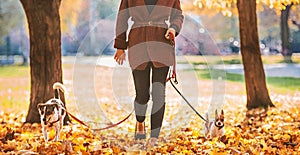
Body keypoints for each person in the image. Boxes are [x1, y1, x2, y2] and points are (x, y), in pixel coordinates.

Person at [113, 0, 183, 145]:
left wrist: (173, 29)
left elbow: (178, 15)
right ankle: (140, 123)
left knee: (159, 93)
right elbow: (122, 17)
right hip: (138, 45)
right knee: (141, 94)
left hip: (162, 44)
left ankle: (154, 136)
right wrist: (120, 45)